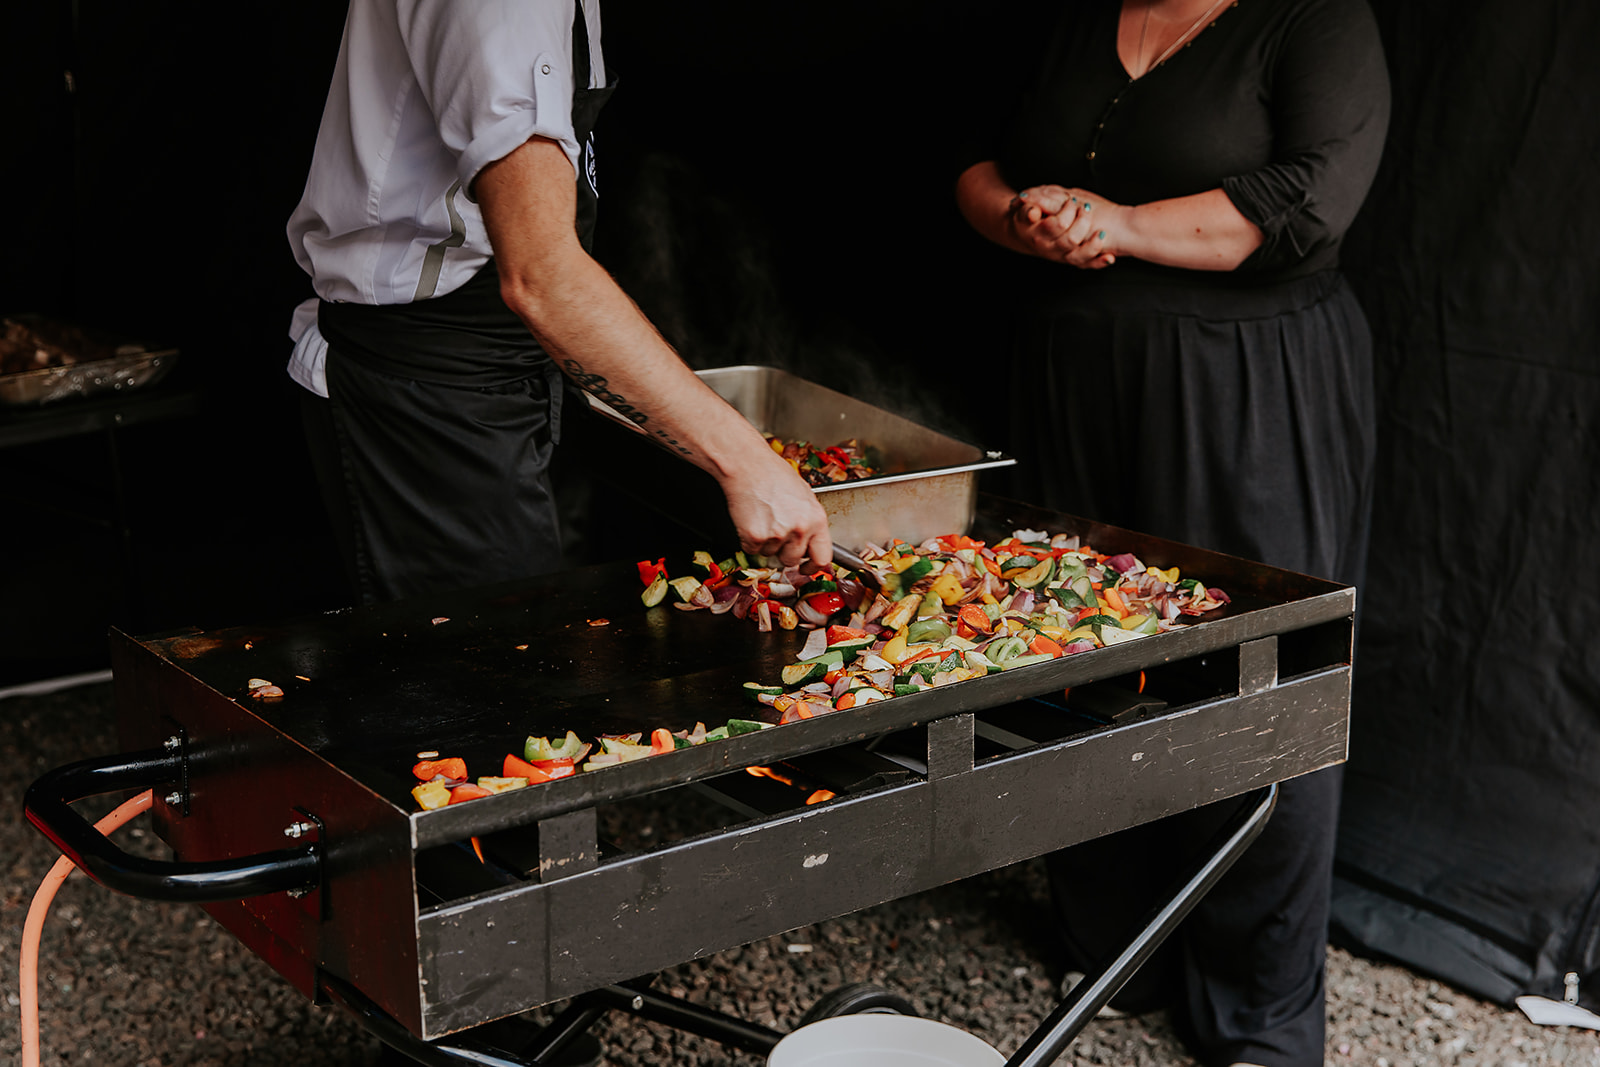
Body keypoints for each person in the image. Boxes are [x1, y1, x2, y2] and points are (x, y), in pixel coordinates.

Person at [954, 1, 1389, 1065]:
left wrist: (1113, 221)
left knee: (1260, 678)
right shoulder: (1072, 17)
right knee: (1078, 658)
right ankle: (1111, 944)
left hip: (1246, 389)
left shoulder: (1315, 19)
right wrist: (1024, 217)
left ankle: (1257, 1010)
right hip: (1071, 381)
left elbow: (1308, 205)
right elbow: (974, 166)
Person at [284, 0, 831, 605]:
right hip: (429, 395)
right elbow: (543, 279)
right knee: (489, 678)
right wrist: (747, 462)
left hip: (511, 370)